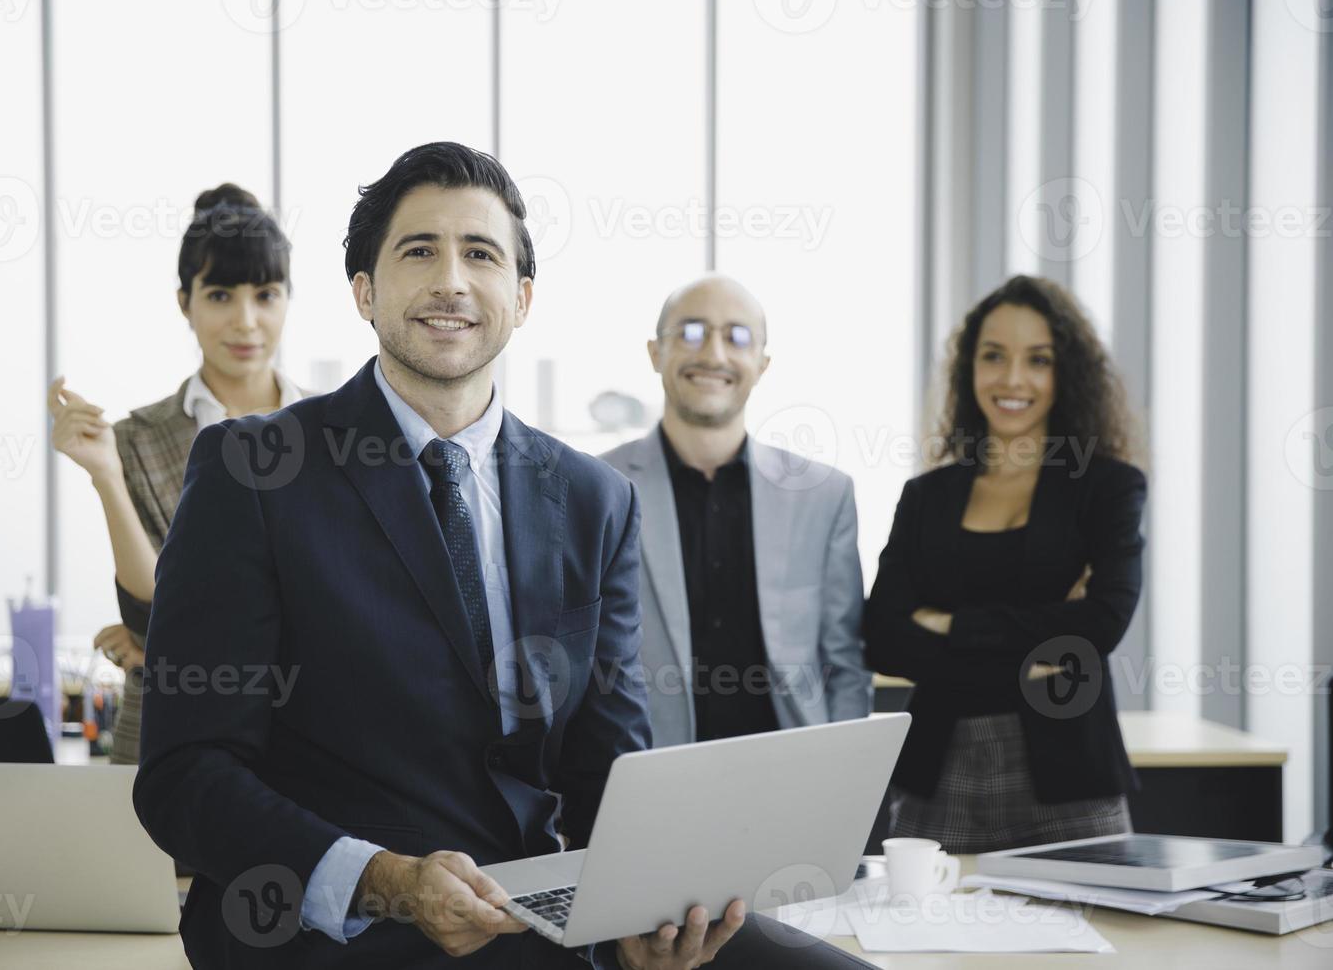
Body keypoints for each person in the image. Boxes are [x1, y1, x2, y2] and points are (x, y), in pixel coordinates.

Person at [132, 143, 871, 969]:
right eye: (420, 250)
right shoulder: (257, 472)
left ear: (520, 299)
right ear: (364, 293)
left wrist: (649, 912)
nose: (451, 279)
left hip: (539, 908)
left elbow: (610, 764)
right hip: (340, 925)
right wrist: (387, 878)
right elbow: (184, 775)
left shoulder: (595, 500)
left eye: (480, 254)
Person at [863, 274, 1145, 854]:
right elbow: (883, 636)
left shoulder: (1107, 488)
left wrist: (951, 624)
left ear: (1065, 373)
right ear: (970, 367)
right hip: (936, 779)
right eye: (994, 356)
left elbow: (1100, 625)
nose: (1013, 379)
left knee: (1092, 940)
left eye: (1037, 360)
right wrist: (1036, 653)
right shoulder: (927, 497)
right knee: (926, 944)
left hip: (1072, 786)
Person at [47, 183, 305, 765]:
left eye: (266, 295)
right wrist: (106, 475)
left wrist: (170, 651)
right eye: (219, 295)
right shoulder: (137, 439)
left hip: (310, 729)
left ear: (288, 299)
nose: (245, 322)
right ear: (184, 303)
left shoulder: (337, 432)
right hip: (170, 733)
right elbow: (154, 613)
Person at [600, 275, 870, 748]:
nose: (714, 354)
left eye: (737, 336)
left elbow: (844, 663)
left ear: (762, 364)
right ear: (654, 352)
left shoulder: (824, 495)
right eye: (691, 331)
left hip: (794, 779)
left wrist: (849, 787)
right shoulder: (595, 487)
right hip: (645, 778)